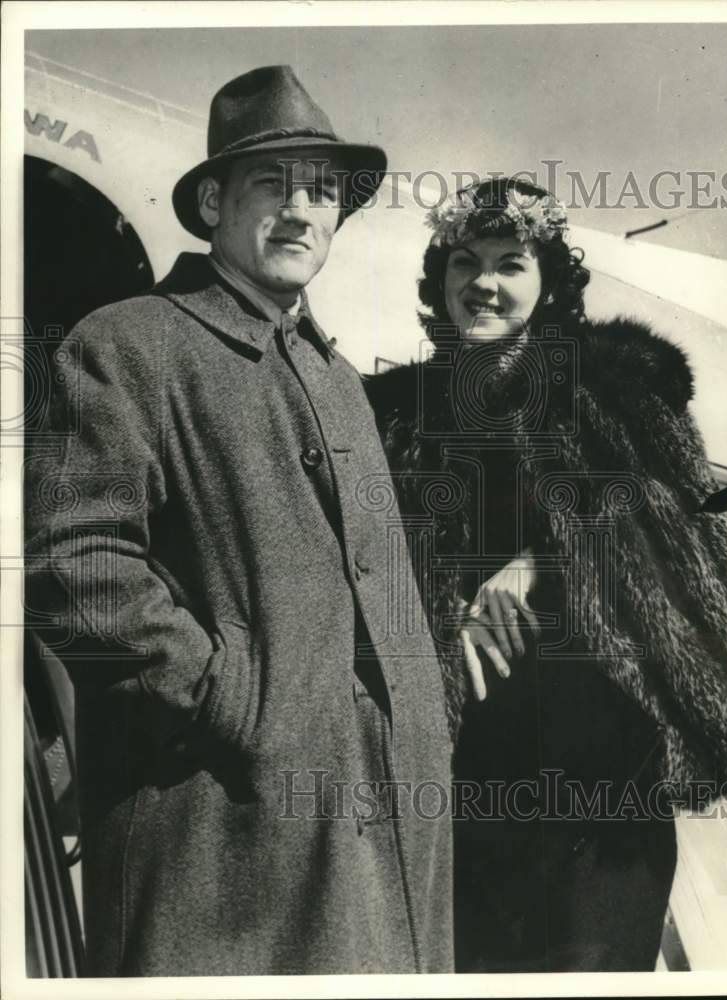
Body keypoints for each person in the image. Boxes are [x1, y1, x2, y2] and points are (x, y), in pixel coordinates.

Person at [25, 65, 453, 976]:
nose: (302, 211)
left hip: (381, 826)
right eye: (274, 183)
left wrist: (422, 714)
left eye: (323, 190)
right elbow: (69, 565)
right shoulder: (126, 342)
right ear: (213, 200)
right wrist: (231, 700)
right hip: (221, 838)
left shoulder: (337, 378)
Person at [365, 175, 727, 971]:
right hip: (466, 780)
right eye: (464, 262)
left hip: (599, 782)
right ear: (439, 278)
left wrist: (540, 564)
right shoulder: (393, 412)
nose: (484, 284)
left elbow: (683, 536)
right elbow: (367, 569)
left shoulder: (619, 384)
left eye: (510, 263)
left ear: (550, 282)